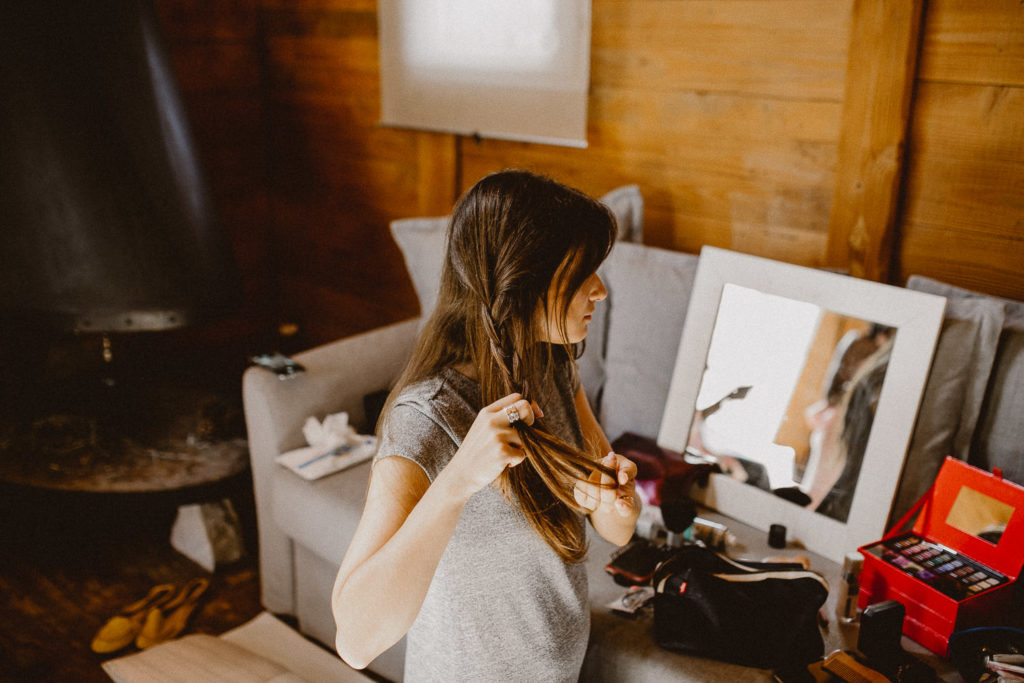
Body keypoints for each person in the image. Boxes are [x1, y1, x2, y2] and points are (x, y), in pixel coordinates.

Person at [331, 170, 641, 681]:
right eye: (586, 272)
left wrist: (618, 501)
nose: (601, 291)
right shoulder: (425, 418)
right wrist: (458, 480)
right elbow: (357, 641)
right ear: (524, 280)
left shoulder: (556, 368)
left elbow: (613, 528)